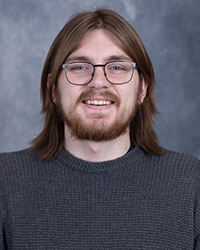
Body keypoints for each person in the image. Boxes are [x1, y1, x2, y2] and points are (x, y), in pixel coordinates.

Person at [0, 8, 200, 250]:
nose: (97, 82)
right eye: (79, 67)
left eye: (117, 67)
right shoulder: (5, 182)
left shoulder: (191, 182)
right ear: (53, 89)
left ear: (142, 89)